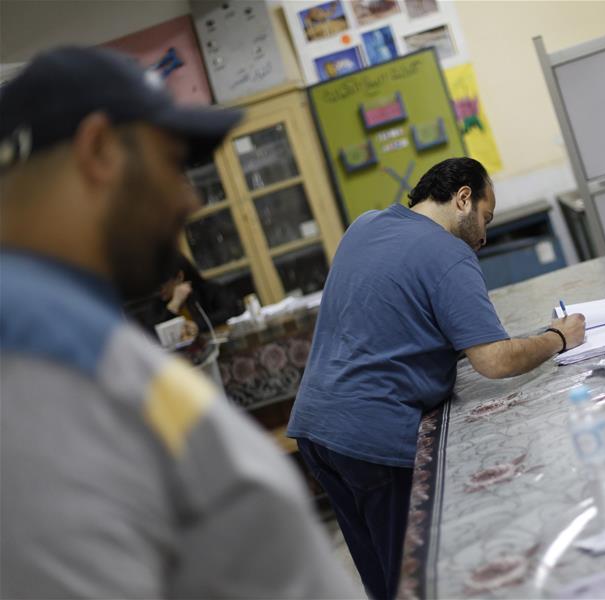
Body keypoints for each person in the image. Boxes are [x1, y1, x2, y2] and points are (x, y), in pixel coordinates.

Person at [0, 46, 354, 598]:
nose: (188, 197)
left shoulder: (64, 334)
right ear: (99, 151)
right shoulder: (32, 369)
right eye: (171, 164)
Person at [286, 157, 586, 599]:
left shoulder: (366, 224)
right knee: (415, 580)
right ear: (463, 199)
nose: (484, 236)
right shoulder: (450, 252)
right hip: (373, 436)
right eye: (486, 218)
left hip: (315, 429)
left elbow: (385, 325)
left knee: (380, 579)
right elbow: (494, 361)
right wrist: (557, 337)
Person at [123, 252, 243, 336]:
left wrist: (198, 325)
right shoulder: (158, 303)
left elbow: (232, 308)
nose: (158, 290)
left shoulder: (206, 290)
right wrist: (173, 305)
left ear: (179, 277)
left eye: (162, 285)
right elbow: (150, 336)